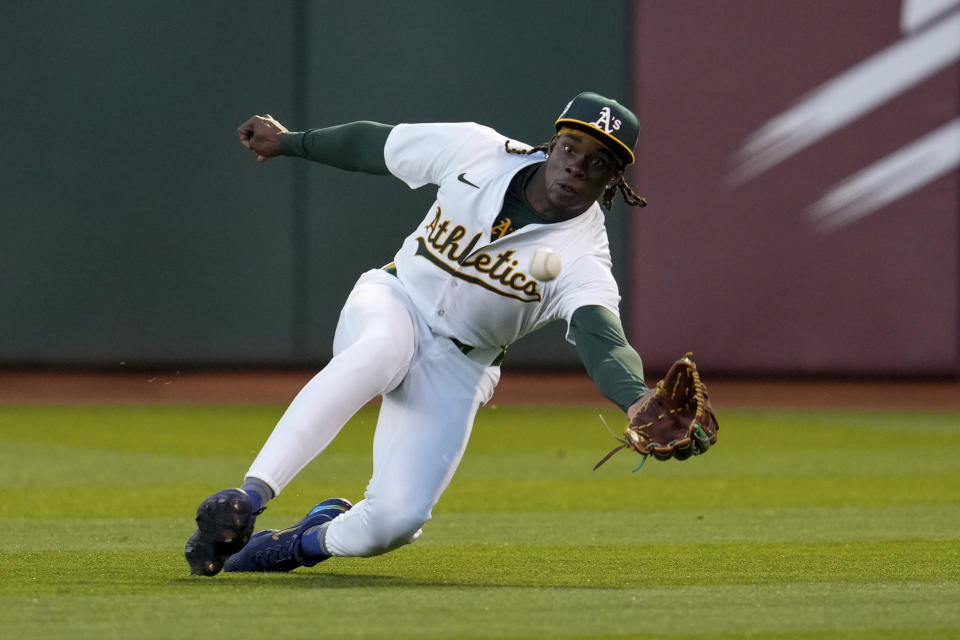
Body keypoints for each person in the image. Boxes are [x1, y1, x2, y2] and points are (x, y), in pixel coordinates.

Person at [185, 92, 650, 576]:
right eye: (572, 147)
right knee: (378, 351)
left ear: (614, 178)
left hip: (462, 364)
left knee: (395, 522)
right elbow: (376, 144)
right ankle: (250, 494)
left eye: (599, 161)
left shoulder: (583, 257)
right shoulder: (477, 150)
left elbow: (604, 339)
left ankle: (299, 542)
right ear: (552, 145)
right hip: (394, 300)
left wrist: (637, 399)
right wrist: (290, 142)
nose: (578, 166)